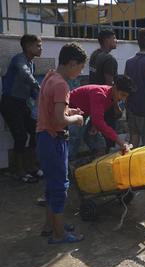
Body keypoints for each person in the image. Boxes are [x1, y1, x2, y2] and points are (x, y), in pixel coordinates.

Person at [36, 42, 87, 244]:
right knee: (59, 188)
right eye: (80, 67)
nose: (80, 71)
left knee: (52, 186)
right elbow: (59, 120)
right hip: (54, 139)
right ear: (72, 63)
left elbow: (53, 111)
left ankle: (51, 226)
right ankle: (59, 235)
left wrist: (69, 112)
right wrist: (76, 119)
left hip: (44, 138)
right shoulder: (62, 85)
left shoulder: (50, 76)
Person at [0, 34, 43, 183]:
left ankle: (30, 166)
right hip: (10, 103)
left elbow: (30, 89)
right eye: (38, 45)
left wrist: (41, 97)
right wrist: (39, 87)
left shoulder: (32, 63)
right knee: (20, 136)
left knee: (35, 131)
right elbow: (25, 75)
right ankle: (17, 171)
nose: (40, 48)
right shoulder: (19, 60)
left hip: (21, 104)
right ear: (28, 46)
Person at [68, 75, 133, 160]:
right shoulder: (100, 94)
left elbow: (97, 115)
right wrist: (120, 141)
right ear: (114, 88)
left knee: (100, 146)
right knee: (74, 141)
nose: (123, 99)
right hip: (70, 114)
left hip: (84, 115)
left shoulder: (111, 95)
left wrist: (95, 126)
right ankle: (68, 167)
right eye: (122, 95)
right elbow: (98, 121)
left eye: (125, 96)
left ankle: (95, 166)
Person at [89, 29, 120, 148]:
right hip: (106, 105)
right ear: (107, 40)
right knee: (109, 136)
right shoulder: (109, 59)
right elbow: (109, 87)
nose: (116, 41)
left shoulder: (94, 55)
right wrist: (116, 107)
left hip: (94, 102)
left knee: (98, 134)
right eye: (114, 38)